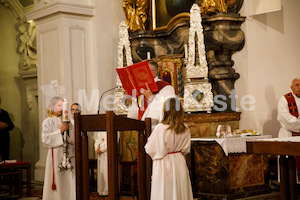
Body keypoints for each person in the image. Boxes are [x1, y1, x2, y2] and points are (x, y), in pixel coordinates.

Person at [144, 97, 193, 200]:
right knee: (180, 190)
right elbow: (186, 149)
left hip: (164, 162)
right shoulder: (185, 128)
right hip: (179, 161)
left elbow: (150, 148)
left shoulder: (160, 128)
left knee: (165, 192)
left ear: (165, 110)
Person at [42, 96, 76, 200]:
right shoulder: (48, 122)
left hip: (69, 153)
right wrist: (60, 132)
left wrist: (68, 132)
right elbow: (45, 139)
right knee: (58, 178)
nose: (62, 108)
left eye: (63, 106)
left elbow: (74, 139)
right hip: (56, 154)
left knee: (70, 179)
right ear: (52, 106)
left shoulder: (70, 122)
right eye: (59, 105)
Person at [127, 60, 176, 127]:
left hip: (159, 128)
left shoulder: (165, 88)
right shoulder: (140, 89)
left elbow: (170, 110)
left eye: (143, 72)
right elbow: (137, 115)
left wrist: (151, 98)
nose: (140, 75)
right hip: (142, 129)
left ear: (154, 73)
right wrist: (132, 102)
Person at [0, 96, 14, 161]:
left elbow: (11, 126)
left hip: (4, 141)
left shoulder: (4, 113)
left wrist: (6, 125)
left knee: (6, 159)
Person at [94, 132, 108, 196]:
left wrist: (102, 149)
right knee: (101, 171)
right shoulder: (100, 129)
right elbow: (97, 140)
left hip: (108, 153)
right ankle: (101, 191)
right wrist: (97, 148)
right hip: (100, 154)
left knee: (107, 171)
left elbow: (111, 141)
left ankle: (108, 190)